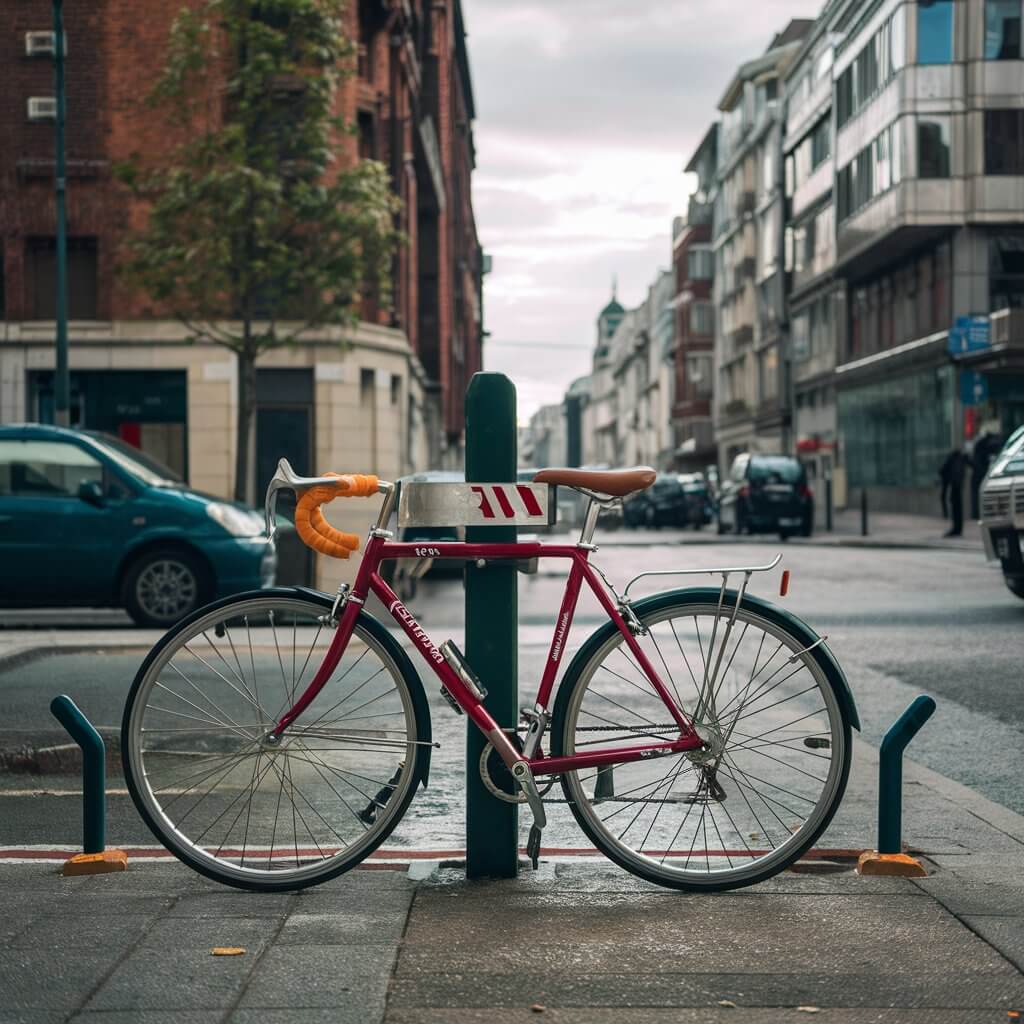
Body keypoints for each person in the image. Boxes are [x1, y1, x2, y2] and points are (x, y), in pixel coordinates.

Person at [970, 431, 1000, 519]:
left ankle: (977, 514)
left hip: (980, 473)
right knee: (980, 495)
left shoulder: (981, 444)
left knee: (979, 495)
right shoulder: (984, 445)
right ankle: (977, 514)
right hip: (981, 473)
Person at [940, 448, 966, 537]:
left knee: (956, 506)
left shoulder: (953, 459)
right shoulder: (959, 458)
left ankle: (956, 528)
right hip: (956, 484)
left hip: (954, 484)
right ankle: (957, 528)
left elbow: (943, 470)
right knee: (957, 506)